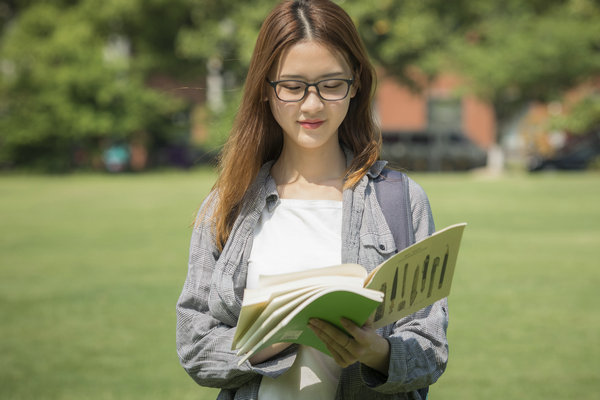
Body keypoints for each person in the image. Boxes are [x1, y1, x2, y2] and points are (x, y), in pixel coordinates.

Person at [175, 0, 448, 399]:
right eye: (292, 86)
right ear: (265, 89)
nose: (312, 104)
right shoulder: (227, 203)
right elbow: (194, 345)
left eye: (331, 84)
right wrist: (264, 344)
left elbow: (432, 350)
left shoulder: (401, 200)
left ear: (355, 84)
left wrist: (378, 352)